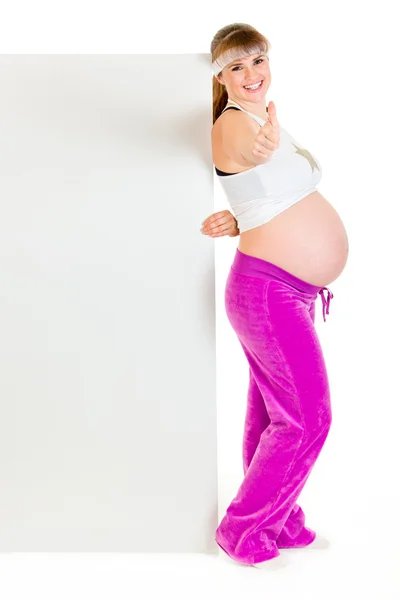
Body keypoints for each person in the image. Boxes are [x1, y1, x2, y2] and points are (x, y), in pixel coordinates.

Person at [201, 23, 349, 568]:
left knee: (273, 413)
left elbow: (267, 199)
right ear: (219, 77)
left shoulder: (266, 118)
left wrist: (240, 214)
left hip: (288, 290)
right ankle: (243, 529)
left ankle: (280, 517)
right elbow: (244, 153)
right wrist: (259, 150)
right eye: (235, 67)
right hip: (268, 292)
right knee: (309, 418)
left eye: (256, 60)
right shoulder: (234, 125)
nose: (250, 75)